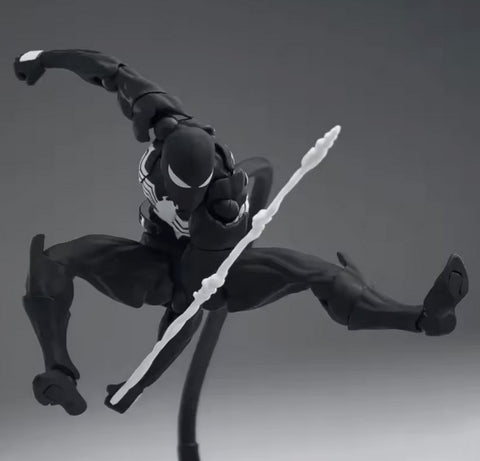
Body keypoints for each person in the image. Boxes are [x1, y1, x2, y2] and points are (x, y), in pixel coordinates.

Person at [14, 49, 469, 415]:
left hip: (197, 272)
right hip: (155, 249)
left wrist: (138, 384)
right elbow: (109, 71)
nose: (184, 201)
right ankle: (58, 369)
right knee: (53, 260)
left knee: (320, 274)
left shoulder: (221, 208)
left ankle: (423, 319)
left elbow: (187, 309)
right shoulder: (163, 118)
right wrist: (45, 59)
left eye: (193, 195)